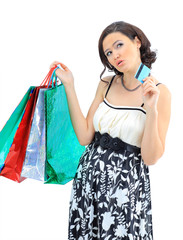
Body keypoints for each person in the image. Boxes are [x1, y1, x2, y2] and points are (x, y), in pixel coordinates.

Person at [50, 21, 171, 239]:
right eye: (108, 52)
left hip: (125, 189)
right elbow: (85, 135)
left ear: (137, 42)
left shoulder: (160, 92)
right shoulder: (105, 84)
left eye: (119, 45)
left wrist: (151, 109)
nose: (114, 55)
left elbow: (151, 158)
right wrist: (69, 85)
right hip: (89, 182)